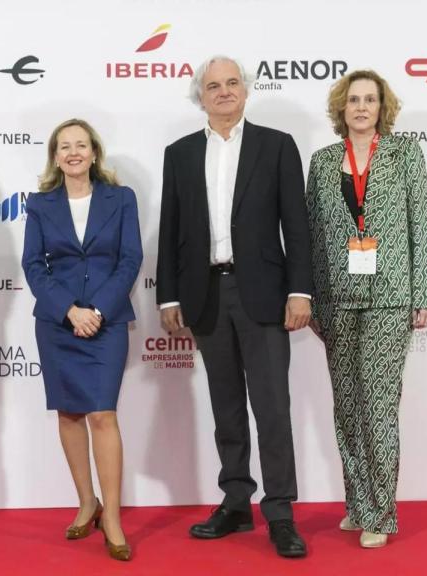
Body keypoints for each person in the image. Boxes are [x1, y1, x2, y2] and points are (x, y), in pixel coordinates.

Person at [155, 56, 314, 558]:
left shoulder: (277, 145)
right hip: (205, 295)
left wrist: (300, 291)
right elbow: (172, 228)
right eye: (212, 86)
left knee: (272, 408)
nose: (223, 92)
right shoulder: (179, 153)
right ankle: (236, 500)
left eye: (231, 84)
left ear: (246, 91)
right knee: (226, 407)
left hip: (264, 294)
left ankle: (281, 512)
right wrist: (169, 294)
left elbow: (298, 225)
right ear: (199, 96)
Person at [305, 69, 427, 548]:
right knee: (347, 407)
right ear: (342, 108)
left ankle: (381, 513)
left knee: (378, 406)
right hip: (337, 299)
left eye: (370, 100)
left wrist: (424, 294)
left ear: (383, 108)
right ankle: (357, 503)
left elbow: (420, 226)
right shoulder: (321, 163)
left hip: (389, 297)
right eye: (354, 100)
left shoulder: (405, 155)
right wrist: (313, 299)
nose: (361, 107)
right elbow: (313, 238)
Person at [21, 119, 142, 562]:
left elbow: (131, 259)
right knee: (70, 412)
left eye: (81, 145)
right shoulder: (40, 204)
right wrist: (69, 310)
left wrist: (97, 311)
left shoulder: (121, 198)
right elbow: (33, 265)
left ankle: (111, 515)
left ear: (94, 153)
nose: (73, 152)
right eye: (64, 146)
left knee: (104, 414)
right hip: (58, 323)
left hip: (106, 322)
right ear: (55, 156)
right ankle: (85, 501)